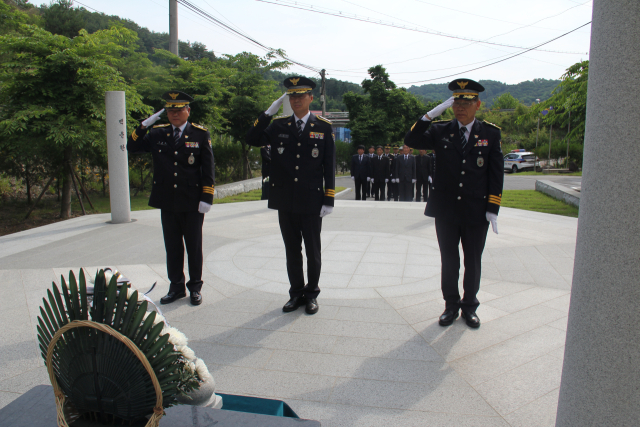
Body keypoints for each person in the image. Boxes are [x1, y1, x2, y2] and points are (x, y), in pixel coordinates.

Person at [404, 78, 504, 328]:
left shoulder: (490, 133)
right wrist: (430, 115)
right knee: (449, 261)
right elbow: (412, 140)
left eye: (466, 102)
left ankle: (470, 306)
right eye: (456, 102)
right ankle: (451, 305)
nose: (460, 107)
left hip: (476, 210)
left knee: (472, 260)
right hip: (447, 210)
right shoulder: (440, 131)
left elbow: (496, 174)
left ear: (477, 104)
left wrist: (492, 208)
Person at [245, 76, 335, 315]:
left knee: (313, 251)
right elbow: (252, 138)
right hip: (285, 199)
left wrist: (329, 198)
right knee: (292, 250)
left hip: (312, 200)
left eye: (301, 95)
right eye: (292, 96)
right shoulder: (278, 125)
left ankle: (312, 293)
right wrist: (267, 113)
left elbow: (329, 165)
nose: (296, 100)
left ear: (310, 98)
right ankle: (296, 294)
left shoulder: (323, 127)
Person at [127, 91, 215, 306]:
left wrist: (207, 196)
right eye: (170, 110)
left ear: (188, 110)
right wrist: (142, 126)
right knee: (173, 246)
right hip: (167, 199)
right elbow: (132, 147)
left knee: (193, 246)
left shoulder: (200, 134)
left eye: (179, 110)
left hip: (192, 200)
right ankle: (176, 287)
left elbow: (208, 168)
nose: (174, 114)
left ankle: (195, 287)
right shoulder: (158, 133)